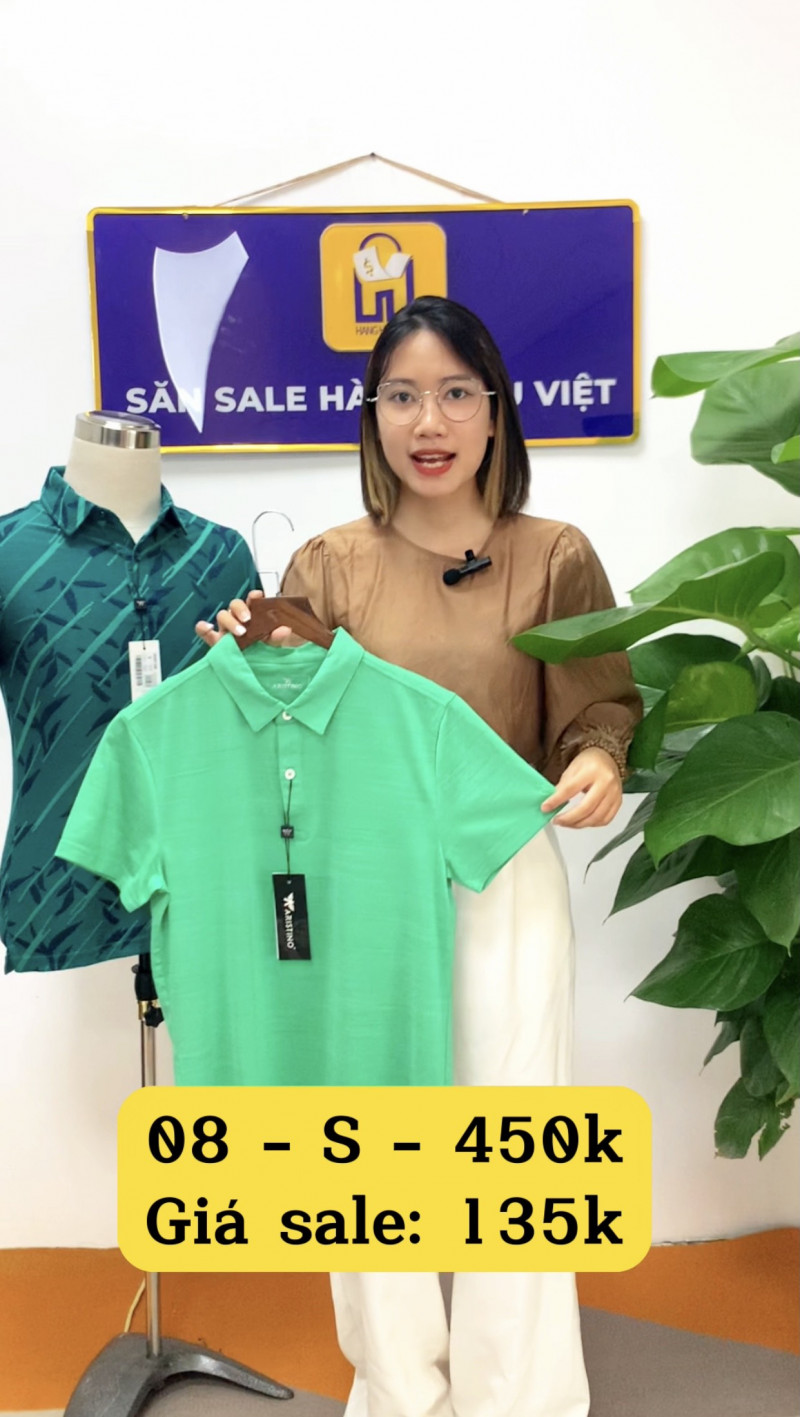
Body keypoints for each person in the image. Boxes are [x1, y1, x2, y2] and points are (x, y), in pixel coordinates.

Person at [197, 295, 641, 1417]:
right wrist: (239, 671)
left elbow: (596, 706)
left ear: (494, 412)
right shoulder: (329, 563)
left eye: (452, 393)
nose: (427, 421)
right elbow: (290, 727)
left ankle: (515, 1395)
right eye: (401, 396)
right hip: (363, 886)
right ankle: (397, 1387)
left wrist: (598, 757)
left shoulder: (555, 554)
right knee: (368, 1145)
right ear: (371, 415)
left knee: (512, 1146)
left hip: (503, 879)